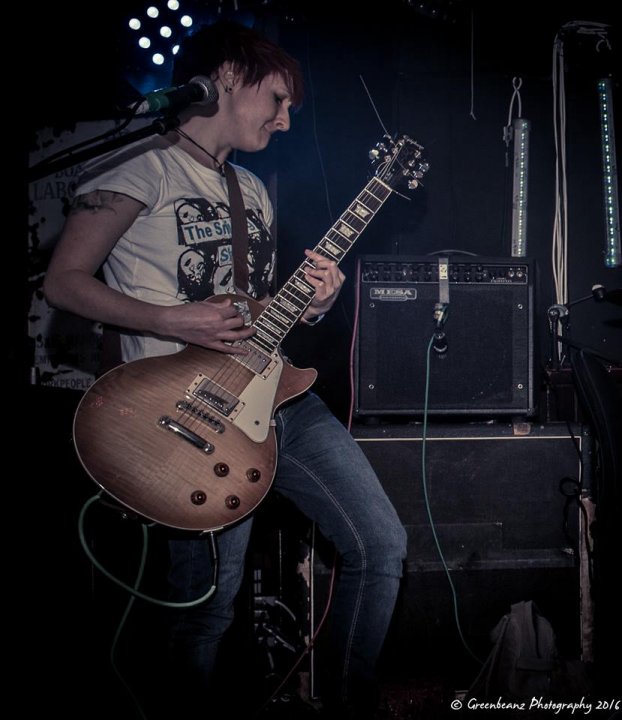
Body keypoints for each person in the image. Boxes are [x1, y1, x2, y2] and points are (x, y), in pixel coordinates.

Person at [43, 20, 407, 720]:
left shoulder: (252, 188)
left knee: (382, 543)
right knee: (209, 606)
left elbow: (248, 306)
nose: (285, 118)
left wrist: (313, 303)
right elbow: (64, 281)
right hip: (187, 411)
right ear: (230, 77)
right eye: (278, 98)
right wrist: (170, 320)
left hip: (277, 394)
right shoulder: (137, 168)